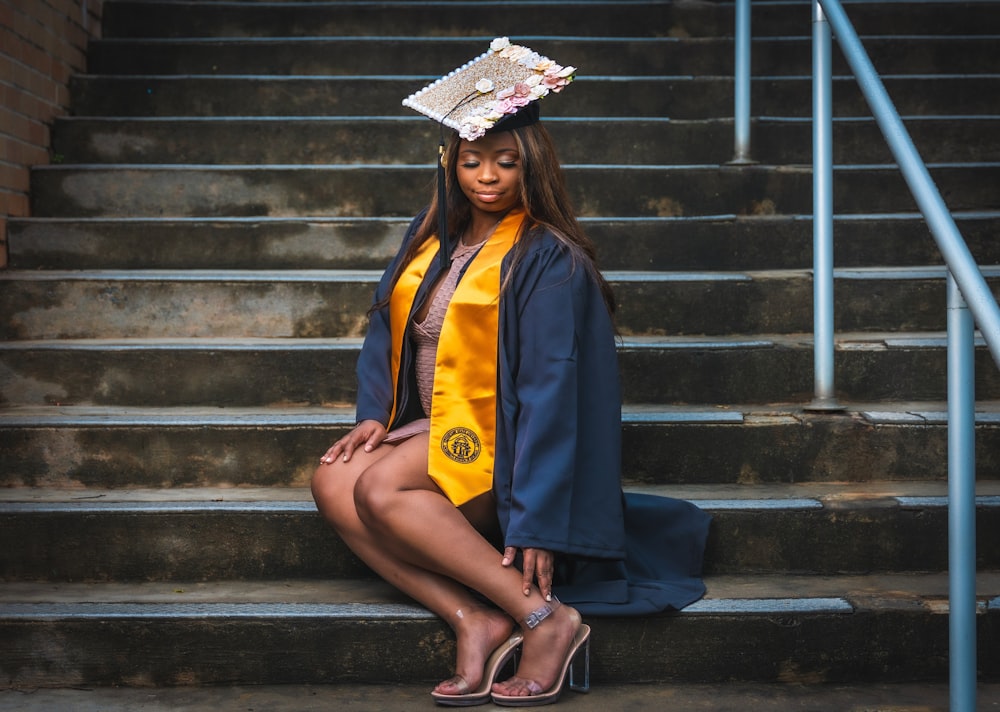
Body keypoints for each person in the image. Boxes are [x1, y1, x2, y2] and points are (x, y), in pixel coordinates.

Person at [311, 38, 711, 707]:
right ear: (452, 161)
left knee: (379, 489)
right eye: (473, 161)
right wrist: (378, 414)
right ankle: (475, 617)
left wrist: (539, 521)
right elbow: (387, 329)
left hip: (516, 456)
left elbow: (553, 392)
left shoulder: (548, 260)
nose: (488, 177)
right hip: (446, 431)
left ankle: (545, 617)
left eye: (505, 163)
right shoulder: (433, 239)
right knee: (331, 479)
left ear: (533, 168)